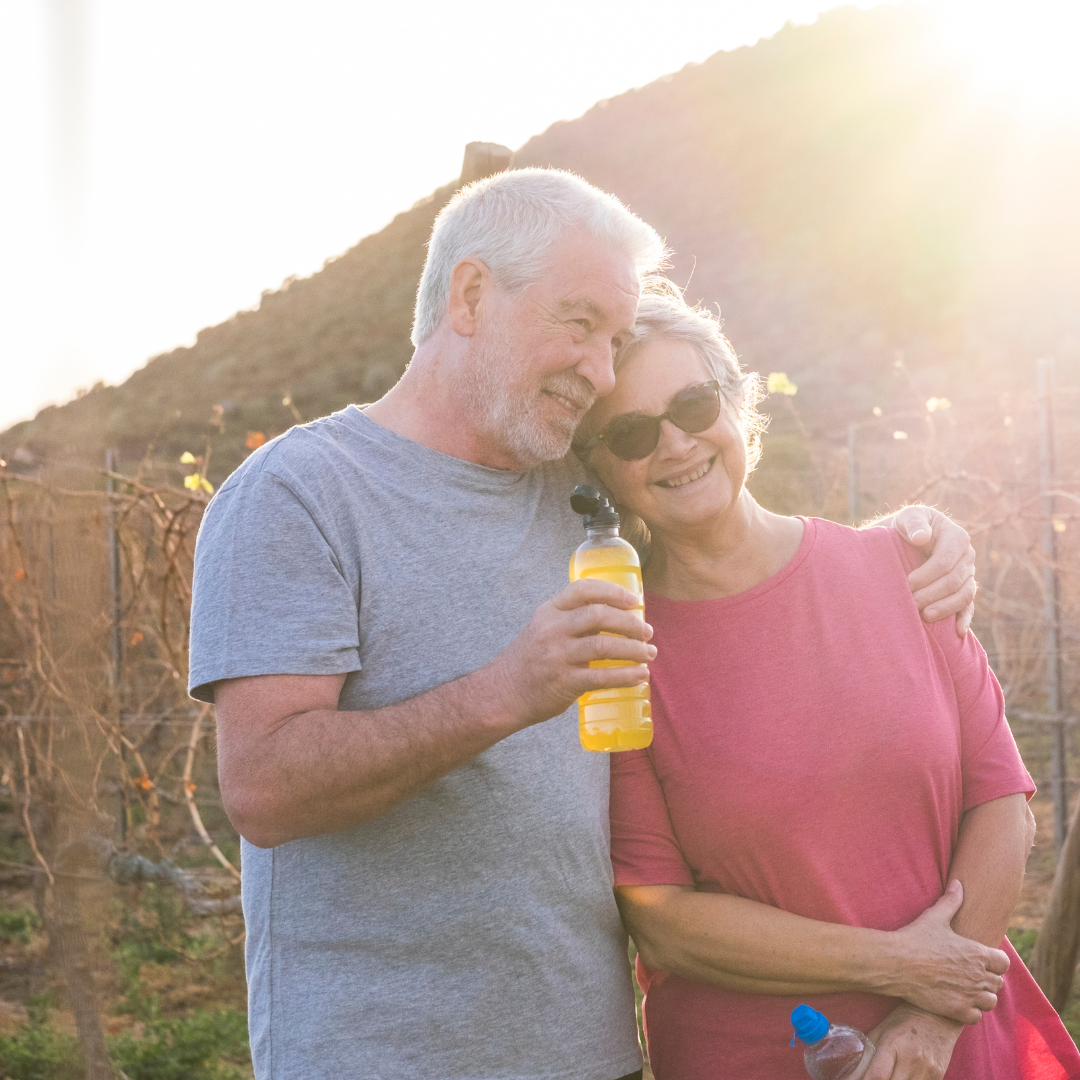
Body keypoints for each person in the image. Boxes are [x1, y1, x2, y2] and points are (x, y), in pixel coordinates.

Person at [188, 169, 985, 1080]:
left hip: (589, 1052)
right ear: (472, 294)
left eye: (613, 339)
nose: (601, 372)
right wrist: (506, 693)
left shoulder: (579, 493)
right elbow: (262, 788)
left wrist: (912, 540)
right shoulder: (300, 495)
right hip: (384, 1055)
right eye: (580, 325)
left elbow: (722, 522)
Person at [571, 283, 1080, 1079]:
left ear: (736, 406)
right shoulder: (618, 651)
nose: (674, 445)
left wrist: (930, 1015)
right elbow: (660, 918)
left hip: (955, 1039)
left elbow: (1003, 801)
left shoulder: (904, 566)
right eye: (632, 433)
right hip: (750, 1057)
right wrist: (899, 964)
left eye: (695, 405)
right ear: (600, 469)